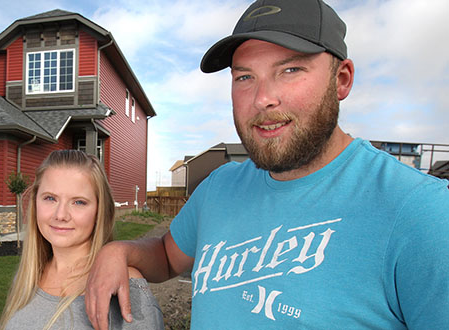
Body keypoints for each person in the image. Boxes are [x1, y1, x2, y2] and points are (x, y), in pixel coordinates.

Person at [84, 0, 449, 329]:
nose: (262, 99)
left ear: (341, 80)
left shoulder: (422, 213)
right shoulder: (219, 186)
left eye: (290, 70)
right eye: (245, 77)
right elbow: (166, 256)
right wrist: (120, 251)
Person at [0, 149, 164, 330]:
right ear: (35, 202)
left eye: (78, 202)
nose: (60, 215)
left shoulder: (126, 288)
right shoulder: (28, 276)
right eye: (50, 198)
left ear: (101, 211)